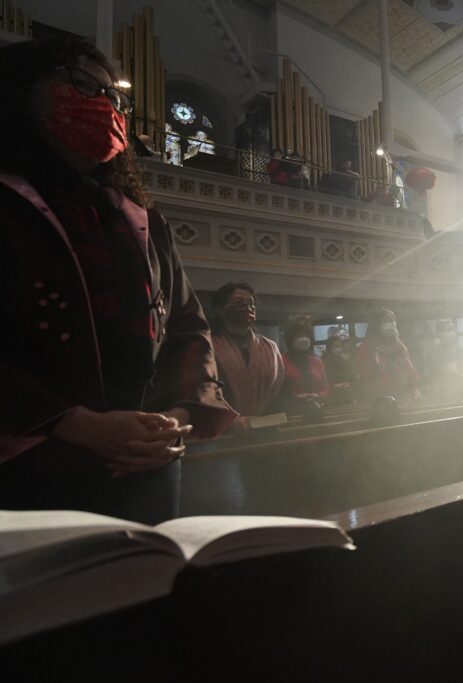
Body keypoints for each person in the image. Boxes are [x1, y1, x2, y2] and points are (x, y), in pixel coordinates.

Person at [0, 39, 234, 523]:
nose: (105, 103)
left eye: (115, 96)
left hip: (146, 463)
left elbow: (189, 329)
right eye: (84, 84)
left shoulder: (141, 218)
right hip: (32, 469)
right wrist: (75, 423)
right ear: (20, 91)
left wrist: (178, 419)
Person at [210, 282, 287, 425]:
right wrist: (231, 421)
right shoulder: (209, 346)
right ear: (220, 309)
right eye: (238, 302)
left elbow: (281, 389)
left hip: (266, 426)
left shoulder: (270, 347)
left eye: (250, 303)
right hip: (223, 430)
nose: (247, 308)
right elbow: (205, 392)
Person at [354, 308, 419, 401]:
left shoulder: (399, 345)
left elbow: (410, 370)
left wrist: (411, 389)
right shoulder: (368, 348)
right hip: (381, 400)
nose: (391, 324)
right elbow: (367, 378)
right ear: (377, 324)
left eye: (393, 320)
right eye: (386, 321)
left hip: (405, 397)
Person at [281, 316, 330, 403]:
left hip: (318, 407)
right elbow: (279, 391)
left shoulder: (316, 361)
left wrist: (319, 395)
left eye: (306, 335)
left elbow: (326, 387)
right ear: (290, 339)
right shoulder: (281, 362)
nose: (304, 339)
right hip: (293, 410)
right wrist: (297, 397)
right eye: (299, 335)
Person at [427, 319, 463, 399]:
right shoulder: (434, 352)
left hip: (459, 390)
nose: (451, 332)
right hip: (443, 391)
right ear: (439, 333)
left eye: (452, 329)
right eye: (448, 330)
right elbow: (432, 375)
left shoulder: (460, 350)